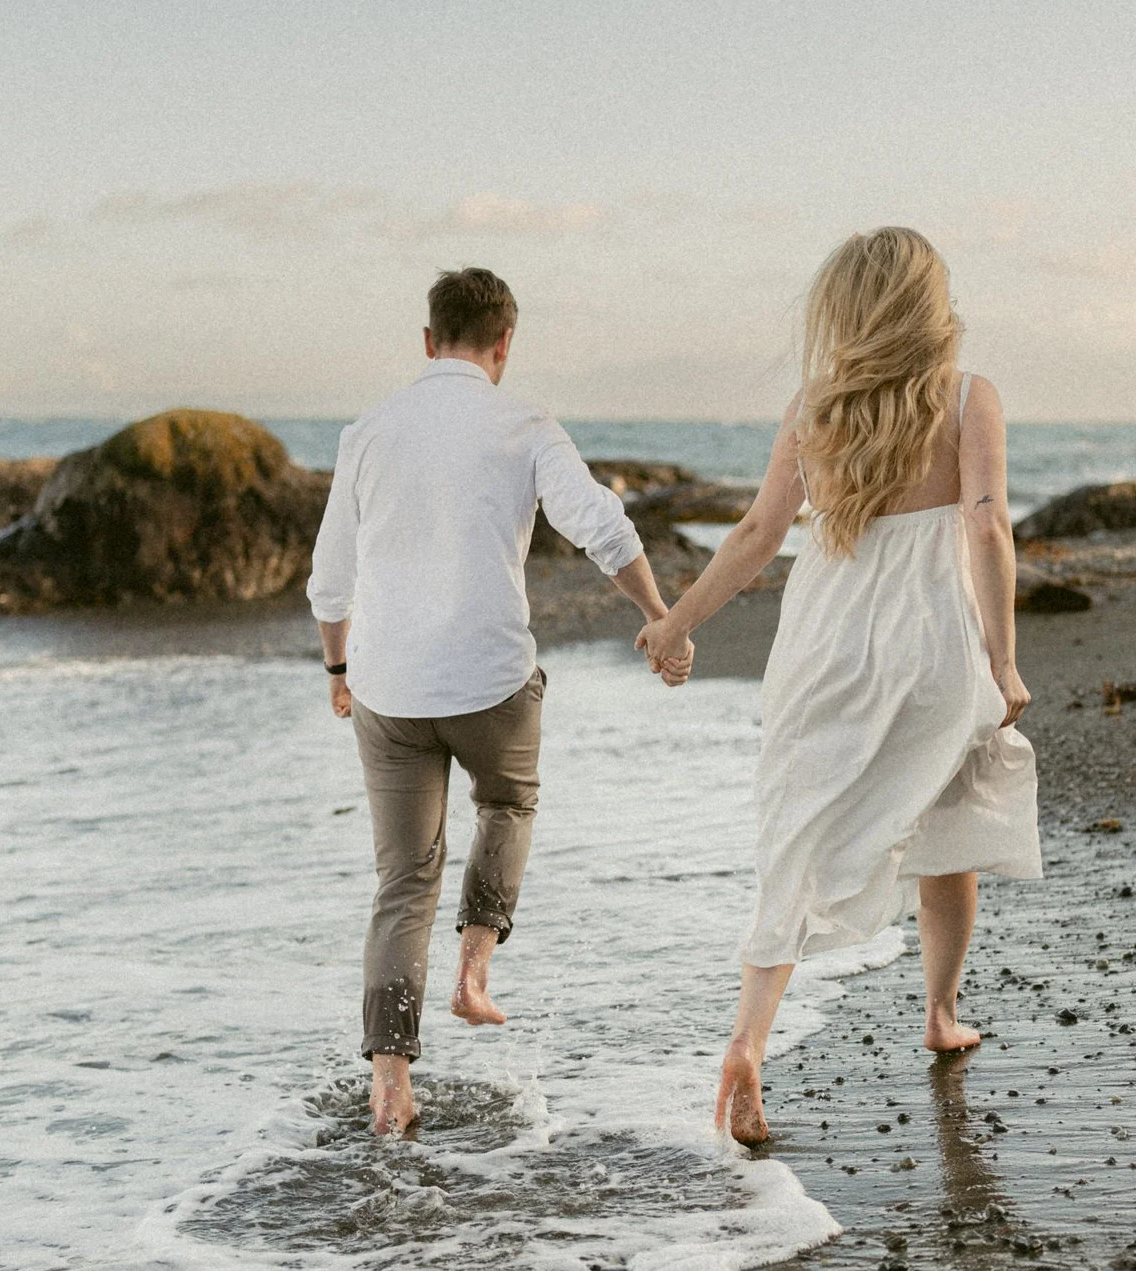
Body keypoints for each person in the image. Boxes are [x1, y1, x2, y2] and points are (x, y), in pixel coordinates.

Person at [636, 227, 1042, 1147]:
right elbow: (987, 528)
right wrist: (1004, 657)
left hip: (823, 654)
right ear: (931, 308)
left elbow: (751, 537)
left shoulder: (811, 411)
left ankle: (748, 1041)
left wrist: (676, 624)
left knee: (796, 843)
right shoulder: (972, 398)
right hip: (935, 647)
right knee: (950, 826)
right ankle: (940, 1012)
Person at [308, 268, 686, 1136]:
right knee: (508, 799)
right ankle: (474, 971)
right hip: (490, 685)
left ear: (429, 339)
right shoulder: (524, 423)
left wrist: (337, 669)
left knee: (404, 881)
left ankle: (390, 1081)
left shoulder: (366, 433)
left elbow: (331, 582)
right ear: (504, 344)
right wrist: (660, 618)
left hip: (389, 691)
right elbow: (602, 526)